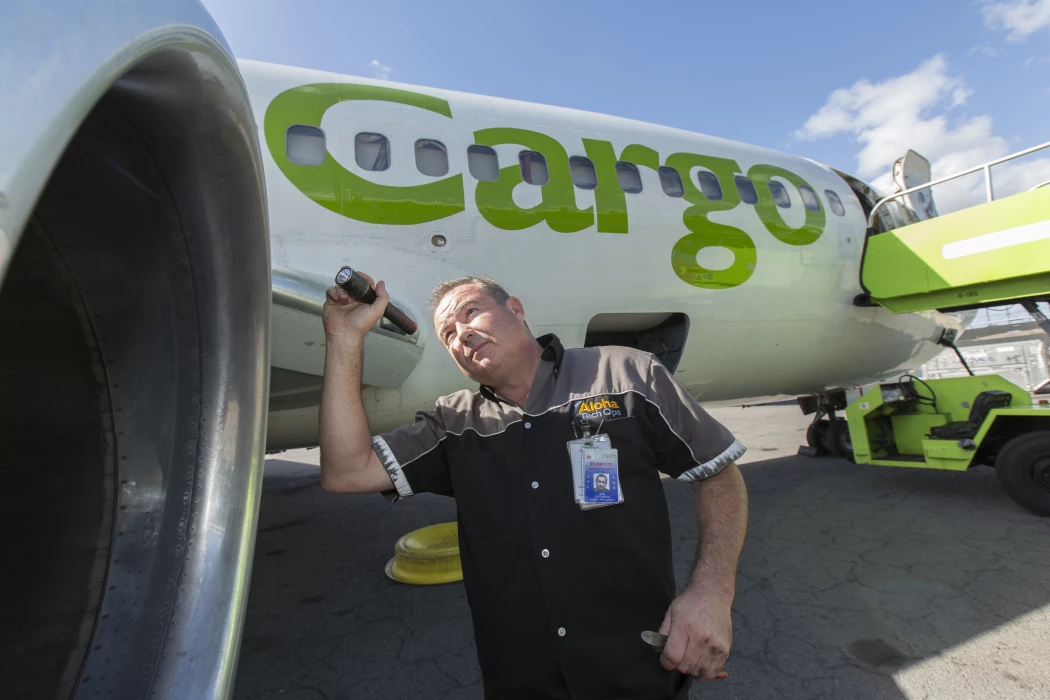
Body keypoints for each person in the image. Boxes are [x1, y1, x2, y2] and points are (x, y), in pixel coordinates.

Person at [319, 272, 749, 700]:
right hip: (522, 684)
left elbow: (718, 473)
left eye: (471, 313)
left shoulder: (624, 374)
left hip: (636, 672)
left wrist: (711, 594)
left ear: (516, 310)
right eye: (448, 333)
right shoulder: (453, 425)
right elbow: (347, 471)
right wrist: (343, 336)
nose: (462, 335)